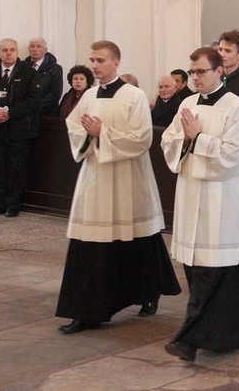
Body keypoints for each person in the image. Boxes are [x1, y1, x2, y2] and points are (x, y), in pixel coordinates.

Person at [56, 40, 180, 334]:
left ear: (116, 63)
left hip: (127, 179)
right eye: (92, 60)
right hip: (96, 178)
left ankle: (148, 294)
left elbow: (141, 139)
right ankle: (87, 311)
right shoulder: (88, 95)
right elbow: (74, 127)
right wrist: (90, 137)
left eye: (100, 60)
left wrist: (103, 133)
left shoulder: (133, 96)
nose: (95, 65)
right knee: (90, 244)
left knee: (135, 239)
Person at [161, 46, 239, 361]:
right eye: (191, 73)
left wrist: (198, 138)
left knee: (214, 271)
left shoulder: (237, 107)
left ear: (219, 71)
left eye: (200, 72)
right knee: (197, 267)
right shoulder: (187, 104)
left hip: (224, 202)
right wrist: (187, 138)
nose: (194, 78)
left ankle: (188, 340)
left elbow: (236, 154)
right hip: (193, 197)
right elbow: (169, 140)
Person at [0, 38, 39, 217]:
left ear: (17, 52)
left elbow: (32, 100)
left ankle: (13, 204)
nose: (9, 53)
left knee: (16, 169)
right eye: (5, 50)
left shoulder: (28, 73)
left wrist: (10, 113)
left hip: (19, 129)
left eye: (12, 49)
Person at [23, 37, 62, 116]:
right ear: (28, 49)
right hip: (24, 114)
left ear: (45, 50)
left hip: (46, 114)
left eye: (38, 46)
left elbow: (55, 94)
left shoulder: (55, 68)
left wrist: (33, 106)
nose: (35, 49)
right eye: (32, 46)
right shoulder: (21, 67)